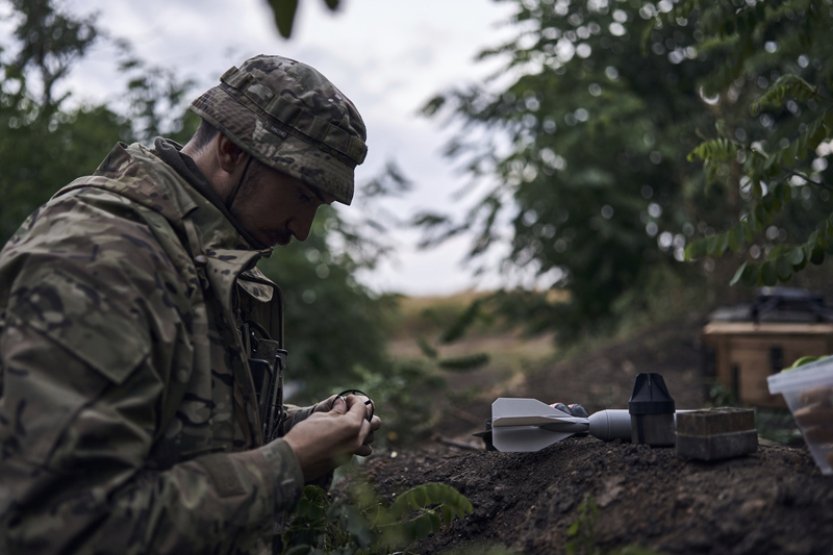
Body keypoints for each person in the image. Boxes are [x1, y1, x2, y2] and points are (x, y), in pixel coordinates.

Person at [0, 54, 381, 554]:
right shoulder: (97, 260)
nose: (301, 229)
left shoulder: (200, 256)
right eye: (302, 195)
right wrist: (287, 464)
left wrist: (305, 427)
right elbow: (57, 526)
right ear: (230, 151)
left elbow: (180, 434)